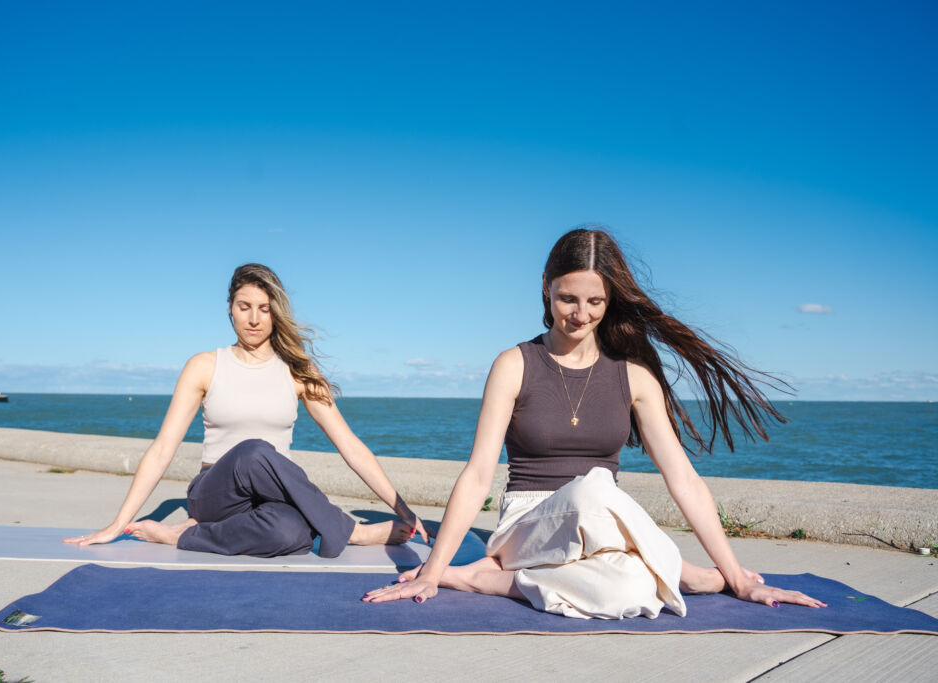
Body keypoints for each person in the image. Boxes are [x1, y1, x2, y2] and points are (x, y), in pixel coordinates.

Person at [364, 228, 825, 618]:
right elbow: (479, 473)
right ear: (545, 286)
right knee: (597, 489)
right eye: (567, 298)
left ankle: (485, 579)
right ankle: (675, 568)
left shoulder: (634, 376)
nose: (580, 315)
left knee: (628, 592)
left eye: (595, 301)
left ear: (610, 300)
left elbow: (682, 477)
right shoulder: (515, 364)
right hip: (529, 526)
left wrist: (737, 576)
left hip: (604, 528)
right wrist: (430, 569)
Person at [65, 263, 428, 558]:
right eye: (244, 307)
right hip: (215, 493)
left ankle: (181, 537)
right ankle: (353, 532)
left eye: (264, 309)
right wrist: (118, 524)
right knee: (254, 450)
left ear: (275, 314)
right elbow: (162, 449)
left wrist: (402, 508)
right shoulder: (205, 366)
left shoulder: (298, 372)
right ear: (230, 310)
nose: (254, 319)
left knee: (292, 534)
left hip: (270, 498)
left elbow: (350, 445)